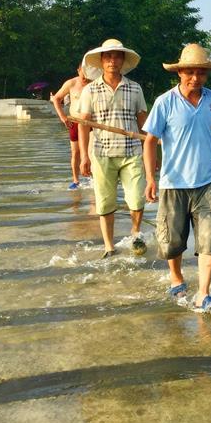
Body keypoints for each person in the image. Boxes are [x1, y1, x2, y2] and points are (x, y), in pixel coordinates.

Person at [143, 43, 211, 312]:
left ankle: (203, 293)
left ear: (207, 75)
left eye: (201, 73)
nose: (195, 78)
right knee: (173, 242)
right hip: (173, 183)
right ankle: (177, 277)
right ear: (179, 73)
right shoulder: (165, 102)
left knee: (208, 240)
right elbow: (150, 141)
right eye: (189, 72)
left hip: (207, 184)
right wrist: (150, 178)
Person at [77, 39, 149, 258]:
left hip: (132, 152)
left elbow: (144, 124)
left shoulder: (134, 88)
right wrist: (83, 157)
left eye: (117, 56)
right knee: (105, 201)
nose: (112, 60)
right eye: (108, 56)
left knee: (137, 199)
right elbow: (84, 125)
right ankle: (109, 245)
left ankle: (136, 234)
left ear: (123, 60)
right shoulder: (90, 90)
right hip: (101, 153)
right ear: (101, 61)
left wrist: (150, 153)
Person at [51, 64, 92, 189]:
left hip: (91, 123)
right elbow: (56, 98)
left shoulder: (94, 84)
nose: (85, 76)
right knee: (76, 152)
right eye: (82, 72)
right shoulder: (71, 83)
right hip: (74, 121)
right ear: (78, 70)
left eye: (88, 72)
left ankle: (93, 179)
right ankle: (76, 180)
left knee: (92, 152)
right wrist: (63, 116)